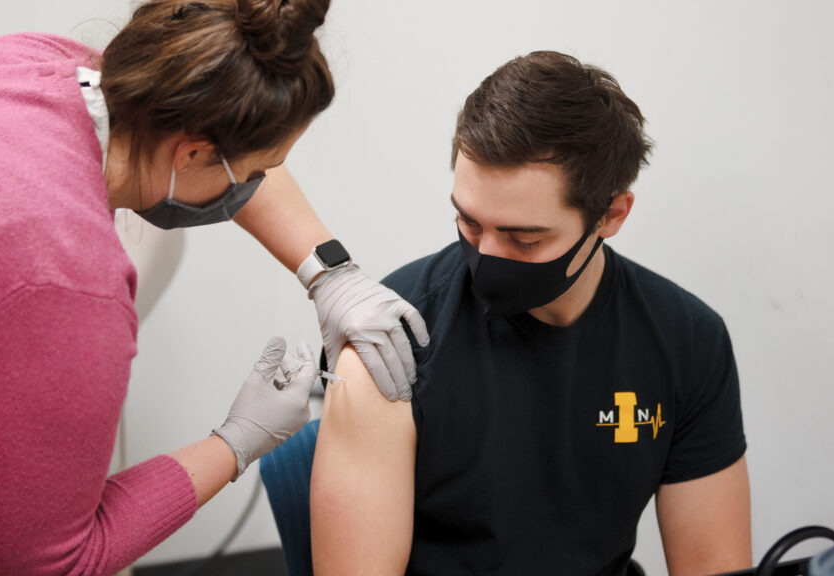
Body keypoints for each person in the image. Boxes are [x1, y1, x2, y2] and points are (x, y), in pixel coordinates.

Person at [0, 0, 429, 574]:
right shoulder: (66, 281)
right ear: (192, 154)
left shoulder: (41, 65)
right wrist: (238, 441)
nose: (256, 186)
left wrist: (331, 272)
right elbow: (46, 561)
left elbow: (215, 139)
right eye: (254, 173)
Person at [310, 51, 750, 576]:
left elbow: (713, 565)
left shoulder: (687, 341)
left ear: (611, 215)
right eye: (469, 223)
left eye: (523, 239)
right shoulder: (392, 341)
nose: (486, 257)